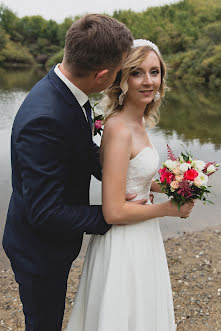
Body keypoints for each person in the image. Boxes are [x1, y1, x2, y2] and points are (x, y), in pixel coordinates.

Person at [2, 14, 148, 331]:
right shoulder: (45, 120)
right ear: (102, 76)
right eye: (122, 69)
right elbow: (45, 212)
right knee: (44, 323)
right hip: (37, 251)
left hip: (53, 242)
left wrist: (131, 176)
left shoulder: (70, 91)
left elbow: (81, 153)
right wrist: (114, 214)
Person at [66, 39, 194, 331]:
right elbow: (113, 212)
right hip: (123, 241)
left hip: (142, 233)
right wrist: (169, 210)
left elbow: (137, 176)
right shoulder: (120, 128)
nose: (149, 81)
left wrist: (182, 182)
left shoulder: (138, 121)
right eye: (137, 72)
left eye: (155, 72)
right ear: (121, 78)